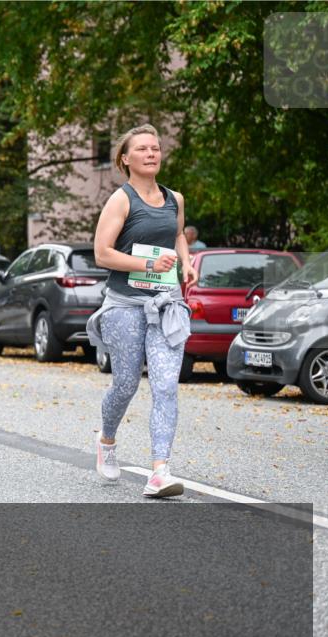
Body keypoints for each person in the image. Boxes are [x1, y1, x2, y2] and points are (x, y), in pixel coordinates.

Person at [86, 123, 198, 499]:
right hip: (124, 305)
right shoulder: (121, 200)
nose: (152, 153)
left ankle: (159, 471)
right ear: (125, 159)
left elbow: (178, 234)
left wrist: (187, 261)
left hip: (166, 303)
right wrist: (148, 267)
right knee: (126, 384)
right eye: (143, 149)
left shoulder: (174, 199)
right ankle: (106, 439)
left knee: (166, 385)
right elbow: (102, 254)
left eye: (156, 148)